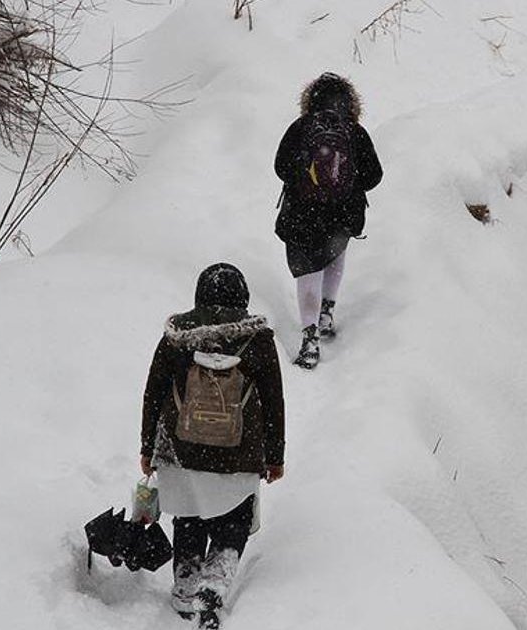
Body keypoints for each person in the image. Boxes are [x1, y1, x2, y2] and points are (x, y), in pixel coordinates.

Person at [140, 263, 286, 629]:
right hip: (239, 451)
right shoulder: (259, 340)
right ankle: (214, 584)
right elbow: (273, 400)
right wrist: (275, 456)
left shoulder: (177, 337)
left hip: (181, 448)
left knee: (188, 515)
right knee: (233, 519)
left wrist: (147, 447)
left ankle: (186, 585)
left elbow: (154, 392)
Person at [274, 72, 383, 369]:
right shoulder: (354, 131)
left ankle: (309, 338)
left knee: (307, 271)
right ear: (350, 103)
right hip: (341, 215)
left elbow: (280, 167)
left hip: (301, 215)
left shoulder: (301, 127)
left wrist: (306, 182)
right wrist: (345, 185)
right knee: (334, 252)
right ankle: (327, 312)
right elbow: (374, 175)